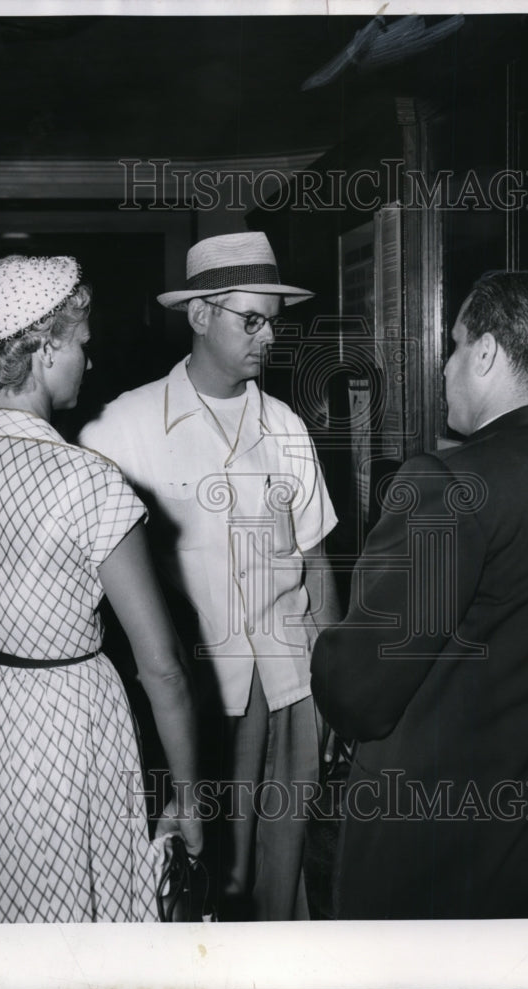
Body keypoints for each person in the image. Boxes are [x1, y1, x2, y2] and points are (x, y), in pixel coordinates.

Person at [0, 254, 201, 923]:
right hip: (69, 717)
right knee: (69, 907)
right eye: (81, 346)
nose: (88, 362)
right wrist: (187, 797)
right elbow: (162, 667)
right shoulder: (87, 481)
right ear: (44, 351)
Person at [311, 270, 528, 919]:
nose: (444, 366)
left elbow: (358, 693)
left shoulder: (446, 485)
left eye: (453, 345)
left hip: (443, 857)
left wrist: (323, 642)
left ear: (486, 354)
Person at [80, 231, 340, 920]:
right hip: (194, 698)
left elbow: (314, 563)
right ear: (199, 315)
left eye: (271, 324)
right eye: (248, 320)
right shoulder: (122, 427)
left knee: (281, 883)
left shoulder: (285, 427)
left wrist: (335, 683)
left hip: (288, 686)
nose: (266, 339)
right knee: (198, 885)